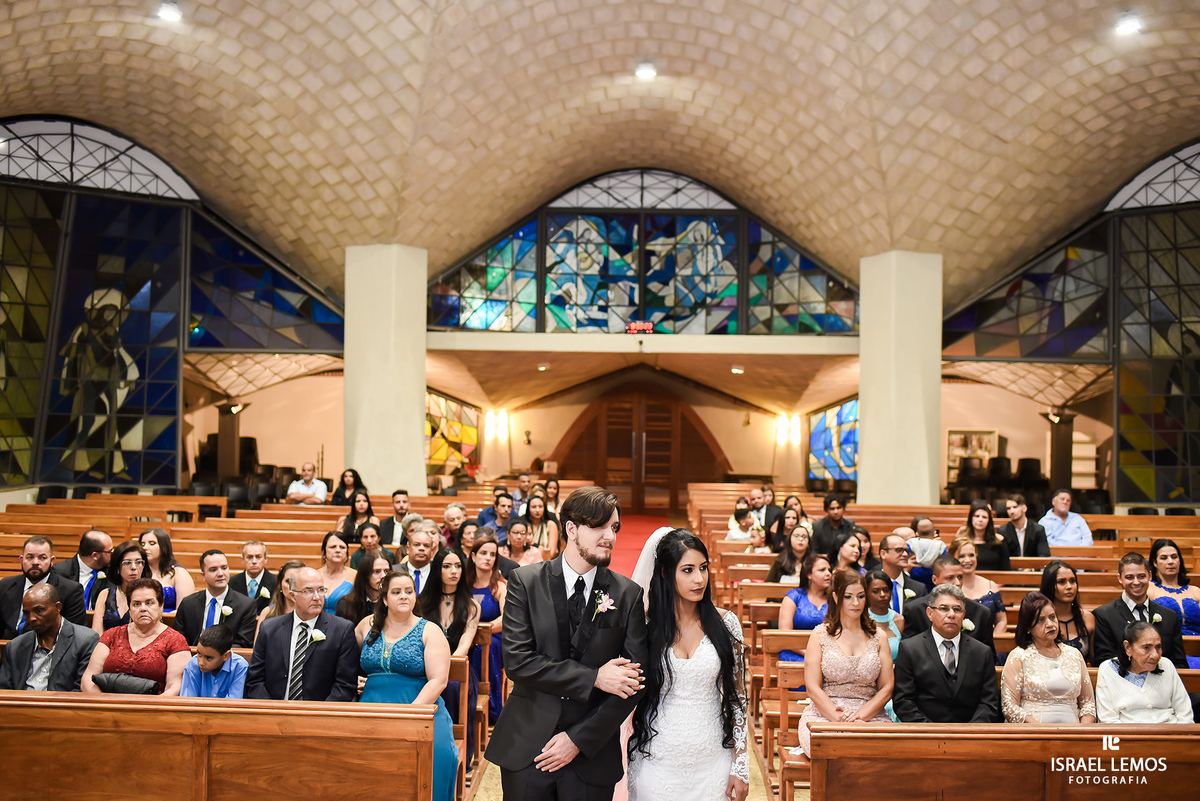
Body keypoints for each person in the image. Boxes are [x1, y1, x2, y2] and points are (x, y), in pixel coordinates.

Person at [485, 486, 648, 801]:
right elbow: (518, 662)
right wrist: (595, 677)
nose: (610, 536)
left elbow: (635, 681)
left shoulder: (626, 594)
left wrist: (578, 739)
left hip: (591, 751)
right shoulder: (526, 582)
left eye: (614, 528)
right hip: (527, 745)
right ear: (571, 528)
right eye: (599, 526)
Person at [628, 530, 748, 800]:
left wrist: (740, 766)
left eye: (703, 568)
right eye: (688, 570)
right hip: (656, 756)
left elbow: (738, 699)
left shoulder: (726, 624)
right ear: (664, 573)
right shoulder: (646, 627)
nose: (699, 579)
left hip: (713, 758)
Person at [357, 569, 459, 801]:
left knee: (438, 757)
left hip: (420, 709)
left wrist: (408, 716)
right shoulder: (366, 626)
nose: (404, 596)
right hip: (370, 712)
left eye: (408, 591)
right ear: (384, 599)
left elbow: (438, 680)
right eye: (396, 592)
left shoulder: (429, 630)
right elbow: (344, 663)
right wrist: (353, 679)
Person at [795, 568, 894, 757]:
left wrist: (860, 716)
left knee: (881, 749)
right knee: (830, 746)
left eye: (861, 596)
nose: (855, 603)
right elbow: (813, 688)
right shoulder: (819, 635)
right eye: (848, 596)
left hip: (870, 714)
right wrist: (839, 718)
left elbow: (887, 687)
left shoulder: (878, 636)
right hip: (825, 713)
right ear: (836, 597)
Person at [245, 566, 359, 701]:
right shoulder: (269, 629)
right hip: (274, 713)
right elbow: (255, 680)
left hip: (319, 714)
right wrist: (272, 713)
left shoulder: (342, 630)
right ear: (293, 596)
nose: (317, 597)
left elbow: (345, 685)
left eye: (321, 590)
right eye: (308, 591)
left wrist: (317, 716)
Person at [892, 583, 1001, 723]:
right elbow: (903, 701)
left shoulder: (981, 652)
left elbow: (989, 702)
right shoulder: (910, 649)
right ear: (930, 613)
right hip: (925, 735)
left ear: (963, 615)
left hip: (971, 736)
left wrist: (970, 732)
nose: (951, 615)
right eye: (944, 608)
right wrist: (932, 732)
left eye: (957, 609)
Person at [416, 547, 481, 761]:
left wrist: (444, 670)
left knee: (453, 685)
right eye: (447, 566)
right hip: (426, 667)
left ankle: (453, 755)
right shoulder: (422, 603)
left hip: (457, 667)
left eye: (458, 566)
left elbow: (465, 644)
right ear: (437, 570)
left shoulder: (471, 605)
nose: (454, 571)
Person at [81, 578, 190, 695]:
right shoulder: (111, 635)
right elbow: (88, 679)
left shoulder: (175, 640)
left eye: (149, 603)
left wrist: (147, 709)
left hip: (154, 708)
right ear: (130, 608)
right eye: (136, 604)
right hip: (108, 707)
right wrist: (106, 705)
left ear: (160, 605)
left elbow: (175, 687)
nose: (143, 608)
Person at [1000, 592, 1096, 723]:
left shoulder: (1074, 654)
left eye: (1052, 617)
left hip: (1074, 734)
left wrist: (1082, 732)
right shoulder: (1018, 656)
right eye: (1041, 620)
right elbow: (1009, 706)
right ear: (1028, 627)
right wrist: (1040, 730)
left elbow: (1088, 703)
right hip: (1033, 734)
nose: (1050, 624)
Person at [1091, 552, 1187, 669]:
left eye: (1141, 576)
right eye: (1129, 577)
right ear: (1120, 578)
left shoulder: (1169, 616)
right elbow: (1104, 660)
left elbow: (1179, 662)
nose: (1136, 582)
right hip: (1121, 682)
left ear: (1150, 576)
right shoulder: (1104, 615)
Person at [0, 583, 99, 691]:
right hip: (19, 705)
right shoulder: (14, 647)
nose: (31, 618)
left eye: (39, 610)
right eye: (27, 613)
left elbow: (81, 689)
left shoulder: (85, 640)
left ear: (58, 607)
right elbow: (4, 689)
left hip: (62, 705)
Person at [1095, 621, 1194, 724]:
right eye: (1146, 648)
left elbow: (1185, 714)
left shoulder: (1166, 665)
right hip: (1129, 737)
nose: (1155, 655)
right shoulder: (1108, 670)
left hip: (1171, 734)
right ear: (1128, 647)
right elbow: (1108, 720)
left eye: (1158, 647)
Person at [901, 554, 995, 654]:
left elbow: (988, 656)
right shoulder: (915, 610)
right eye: (950, 578)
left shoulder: (981, 613)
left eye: (960, 577)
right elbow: (909, 651)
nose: (957, 583)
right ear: (934, 580)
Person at [1, 535, 87, 638]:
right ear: (21, 559)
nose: (35, 562)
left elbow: (74, 635)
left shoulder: (71, 590)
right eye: (30, 557)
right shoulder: (5, 585)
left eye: (42, 557)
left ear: (52, 561)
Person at [172, 549, 258, 648]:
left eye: (224, 568)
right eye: (213, 570)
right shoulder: (188, 603)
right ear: (203, 575)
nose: (220, 573)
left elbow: (243, 644)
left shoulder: (245, 605)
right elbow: (178, 640)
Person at [468, 531, 507, 723]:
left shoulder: (499, 587)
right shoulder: (464, 586)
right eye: (483, 553)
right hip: (465, 639)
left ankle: (492, 709)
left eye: (493, 555)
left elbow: (507, 619)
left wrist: (480, 630)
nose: (488, 558)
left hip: (493, 639)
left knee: (486, 648)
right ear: (473, 556)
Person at [777, 554, 832, 662]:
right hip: (796, 651)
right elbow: (785, 634)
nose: (828, 574)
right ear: (809, 574)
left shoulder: (834, 599)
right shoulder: (794, 597)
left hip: (827, 653)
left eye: (829, 570)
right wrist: (809, 653)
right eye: (822, 570)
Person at [948, 537, 1007, 637]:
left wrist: (992, 642)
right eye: (962, 556)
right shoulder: (949, 588)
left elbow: (1001, 621)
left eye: (971, 555)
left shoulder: (991, 586)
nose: (967, 560)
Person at [1040, 559, 1095, 663]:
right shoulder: (1039, 620)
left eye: (1072, 581)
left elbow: (1095, 661)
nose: (1069, 587)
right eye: (1061, 582)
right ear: (1049, 586)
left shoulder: (1087, 618)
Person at [91, 541, 149, 634]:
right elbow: (97, 632)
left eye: (138, 562)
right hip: (106, 647)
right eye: (127, 563)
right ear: (117, 567)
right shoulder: (105, 594)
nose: (134, 567)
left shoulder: (151, 594)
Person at [1148, 537, 1200, 640]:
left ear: (1180, 561)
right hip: (1166, 649)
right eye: (1164, 558)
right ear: (1155, 563)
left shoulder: (1195, 591)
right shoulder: (1149, 588)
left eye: (1174, 557)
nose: (1170, 561)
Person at [180, 623, 249, 699]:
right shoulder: (193, 664)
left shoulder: (240, 667)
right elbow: (188, 702)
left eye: (209, 658)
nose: (201, 662)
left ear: (226, 656)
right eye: (199, 654)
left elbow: (233, 703)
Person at [51, 528, 112, 612]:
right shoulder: (59, 572)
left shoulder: (112, 572)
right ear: (95, 555)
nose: (113, 554)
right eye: (110, 551)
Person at [138, 528, 195, 613]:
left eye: (152, 543)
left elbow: (185, 611)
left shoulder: (178, 573)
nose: (145, 548)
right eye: (142, 544)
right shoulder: (137, 572)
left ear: (163, 546)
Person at [336, 549, 392, 625]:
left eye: (386, 571)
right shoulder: (346, 604)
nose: (383, 576)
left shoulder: (393, 603)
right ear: (365, 574)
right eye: (376, 571)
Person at [877, 531, 926, 614]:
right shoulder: (869, 586)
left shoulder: (919, 589)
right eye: (899, 550)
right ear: (883, 554)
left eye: (907, 551)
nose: (905, 554)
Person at [955, 500, 1011, 572]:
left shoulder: (999, 541)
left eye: (984, 517)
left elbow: (1006, 571)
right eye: (977, 516)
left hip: (994, 582)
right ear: (971, 518)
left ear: (989, 520)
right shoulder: (962, 540)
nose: (980, 520)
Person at [256, 559, 306, 634]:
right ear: (280, 584)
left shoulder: (311, 613)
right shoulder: (267, 612)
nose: (292, 586)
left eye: (297, 581)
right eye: (288, 581)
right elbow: (258, 645)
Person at [229, 540, 275, 614]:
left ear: (265, 559)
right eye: (249, 557)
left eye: (258, 557)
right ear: (242, 560)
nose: (254, 561)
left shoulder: (276, 582)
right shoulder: (231, 582)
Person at [865, 570, 903, 661]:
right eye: (875, 591)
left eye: (886, 590)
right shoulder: (861, 618)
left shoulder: (899, 619)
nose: (882, 595)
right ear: (866, 593)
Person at [317, 531, 356, 615]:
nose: (338, 550)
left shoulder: (356, 576)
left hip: (345, 624)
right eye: (333, 547)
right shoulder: (314, 575)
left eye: (342, 547)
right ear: (324, 552)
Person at [400, 528, 437, 593]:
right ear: (408, 549)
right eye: (417, 545)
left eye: (426, 546)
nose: (421, 548)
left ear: (432, 551)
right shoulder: (395, 570)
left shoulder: (438, 572)